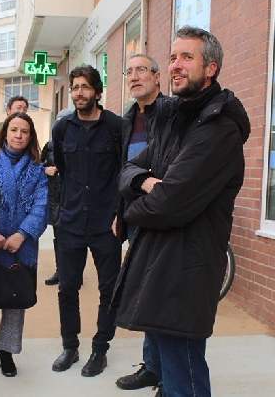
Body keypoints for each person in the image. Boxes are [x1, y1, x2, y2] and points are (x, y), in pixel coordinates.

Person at [112, 26, 251, 397]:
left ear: (211, 68)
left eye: (186, 57)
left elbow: (169, 205)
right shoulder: (178, 119)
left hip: (186, 271)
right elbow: (127, 169)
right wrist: (144, 182)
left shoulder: (218, 129)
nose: (175, 65)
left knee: (184, 379)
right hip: (161, 261)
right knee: (170, 370)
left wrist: (131, 211)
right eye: (173, 57)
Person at [50, 65, 123, 377]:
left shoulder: (118, 127)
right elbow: (64, 170)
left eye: (85, 87)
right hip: (71, 222)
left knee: (110, 289)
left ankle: (100, 349)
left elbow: (124, 171)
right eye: (75, 87)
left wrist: (121, 214)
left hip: (107, 223)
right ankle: (70, 346)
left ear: (97, 91)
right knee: (68, 287)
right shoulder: (63, 128)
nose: (79, 93)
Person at [113, 54, 171, 391]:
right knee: (147, 292)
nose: (135, 76)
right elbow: (122, 171)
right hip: (136, 219)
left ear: (157, 78)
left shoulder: (173, 114)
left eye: (142, 70)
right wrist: (118, 214)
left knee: (165, 294)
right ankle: (153, 366)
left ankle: (171, 373)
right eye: (129, 71)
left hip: (166, 215)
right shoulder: (128, 119)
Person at [0, 112, 48, 377]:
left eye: (24, 131)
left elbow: (41, 206)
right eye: (14, 130)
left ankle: (7, 354)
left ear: (30, 136)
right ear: (5, 132)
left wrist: (22, 234)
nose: (18, 135)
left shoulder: (37, 169)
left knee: (14, 302)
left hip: (22, 247)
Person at [41, 138, 61, 285]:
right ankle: (60, 271)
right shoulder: (49, 145)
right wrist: (45, 170)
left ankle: (73, 272)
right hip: (54, 196)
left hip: (73, 197)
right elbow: (37, 165)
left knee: (74, 239)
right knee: (58, 236)